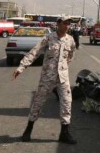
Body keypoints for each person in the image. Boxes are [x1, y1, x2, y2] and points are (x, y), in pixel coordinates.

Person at [13, 16, 77, 144]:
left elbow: (70, 57)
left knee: (67, 103)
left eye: (69, 24)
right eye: (65, 23)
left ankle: (64, 133)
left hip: (63, 77)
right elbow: (35, 52)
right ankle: (28, 129)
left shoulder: (70, 40)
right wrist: (22, 66)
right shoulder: (48, 38)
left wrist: (62, 68)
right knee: (38, 103)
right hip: (47, 77)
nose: (67, 26)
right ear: (58, 24)